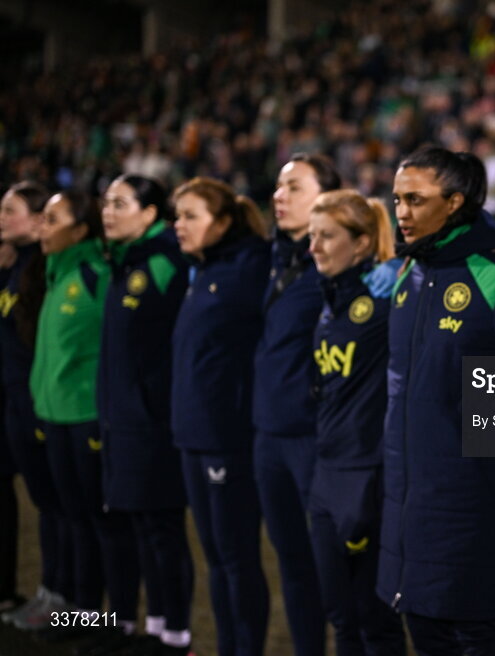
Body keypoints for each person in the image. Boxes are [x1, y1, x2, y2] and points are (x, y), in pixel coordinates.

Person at [378, 146, 495, 654]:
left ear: (455, 202)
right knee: (425, 634)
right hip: (410, 503)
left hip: (477, 507)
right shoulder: (411, 271)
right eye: (398, 199)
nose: (402, 212)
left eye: (416, 200)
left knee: (478, 637)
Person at [30, 189, 143, 640]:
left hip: (88, 419)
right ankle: (80, 617)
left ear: (80, 230)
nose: (43, 226)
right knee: (74, 520)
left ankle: (113, 623)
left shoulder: (96, 275)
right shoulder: (56, 275)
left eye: (53, 218)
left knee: (103, 526)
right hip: (55, 417)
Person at [170, 177, 270, 656]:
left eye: (191, 215)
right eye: (177, 215)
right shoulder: (204, 269)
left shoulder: (251, 266)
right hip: (192, 435)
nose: (179, 225)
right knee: (213, 556)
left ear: (224, 221)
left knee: (236, 558)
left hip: (227, 438)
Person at [97, 174, 194, 655]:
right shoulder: (125, 262)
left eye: (120, 203)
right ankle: (149, 628)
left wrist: (154, 407)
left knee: (162, 531)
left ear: (150, 213)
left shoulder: (164, 264)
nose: (108, 211)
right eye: (106, 203)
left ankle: (176, 637)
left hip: (152, 425)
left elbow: (173, 348)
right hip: (124, 421)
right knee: (137, 528)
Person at [307, 189, 406, 655]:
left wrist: (401, 263)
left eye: (328, 236)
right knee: (340, 618)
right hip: (326, 474)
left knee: (375, 621)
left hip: (368, 478)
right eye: (312, 236)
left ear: (362, 243)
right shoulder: (329, 303)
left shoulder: (385, 300)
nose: (315, 247)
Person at [251, 153, 339, 656]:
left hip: (314, 439)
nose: (279, 196)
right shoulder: (269, 259)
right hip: (268, 436)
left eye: (294, 188)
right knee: (290, 563)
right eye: (279, 187)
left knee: (335, 567)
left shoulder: (348, 266)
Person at [0, 182, 73, 629]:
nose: (2, 219)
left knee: (72, 513)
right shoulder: (14, 266)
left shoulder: (53, 269)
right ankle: (51, 597)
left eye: (11, 211)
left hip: (54, 406)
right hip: (20, 405)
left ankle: (81, 614)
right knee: (47, 507)